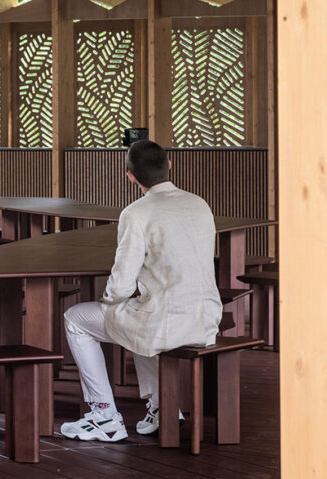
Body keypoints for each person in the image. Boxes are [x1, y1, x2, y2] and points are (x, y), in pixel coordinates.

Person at [60, 139, 222, 442]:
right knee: (136, 312)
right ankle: (163, 406)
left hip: (165, 324)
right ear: (169, 166)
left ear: (130, 176)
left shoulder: (136, 213)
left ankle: (104, 414)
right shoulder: (199, 203)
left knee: (77, 318)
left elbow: (121, 284)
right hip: (206, 317)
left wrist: (108, 300)